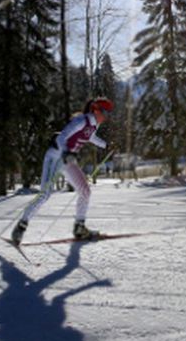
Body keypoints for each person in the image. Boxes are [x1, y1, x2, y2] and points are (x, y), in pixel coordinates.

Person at [10, 97, 114, 245]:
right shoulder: (81, 121)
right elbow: (62, 137)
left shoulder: (93, 125)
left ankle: (79, 228)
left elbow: (91, 137)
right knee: (45, 194)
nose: (107, 117)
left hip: (68, 160)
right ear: (96, 110)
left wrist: (106, 145)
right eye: (106, 113)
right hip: (56, 156)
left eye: (109, 113)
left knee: (85, 190)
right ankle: (21, 226)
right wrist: (66, 152)